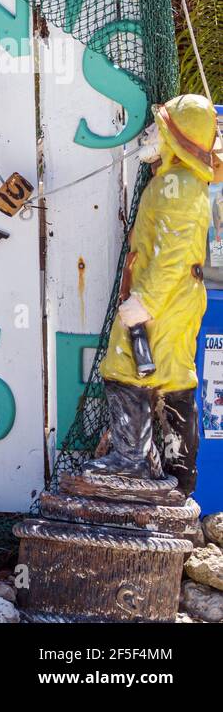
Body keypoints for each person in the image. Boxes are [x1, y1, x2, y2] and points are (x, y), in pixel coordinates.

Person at [85, 95, 215, 493]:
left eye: (159, 127)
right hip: (179, 299)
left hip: (165, 300)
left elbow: (173, 253)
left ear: (176, 136)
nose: (150, 136)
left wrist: (145, 302)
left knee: (124, 366)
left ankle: (131, 460)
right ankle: (181, 473)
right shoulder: (185, 183)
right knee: (175, 377)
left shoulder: (176, 186)